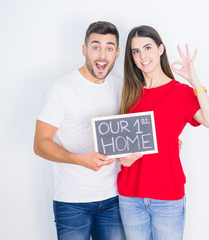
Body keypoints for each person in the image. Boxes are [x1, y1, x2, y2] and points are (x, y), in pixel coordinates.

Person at [33, 21, 141, 240]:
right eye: (95, 47)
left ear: (117, 53)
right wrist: (77, 159)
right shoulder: (61, 89)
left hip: (112, 197)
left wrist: (163, 140)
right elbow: (40, 143)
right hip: (72, 201)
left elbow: (126, 135)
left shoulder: (120, 87)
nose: (102, 55)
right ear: (84, 50)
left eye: (109, 48)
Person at [117, 25, 209, 240]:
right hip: (130, 196)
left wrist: (193, 79)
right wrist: (121, 157)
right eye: (135, 51)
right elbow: (119, 142)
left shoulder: (180, 92)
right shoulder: (128, 92)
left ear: (160, 49)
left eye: (147, 48)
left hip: (167, 196)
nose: (142, 56)